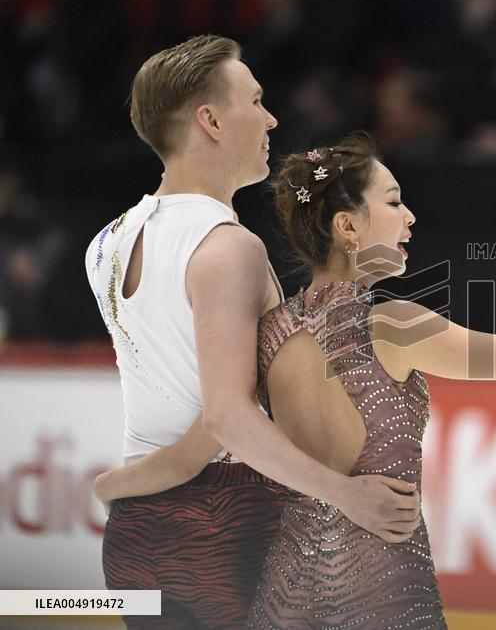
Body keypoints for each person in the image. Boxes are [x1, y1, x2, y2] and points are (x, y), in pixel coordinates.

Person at [86, 35, 423, 629]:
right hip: (227, 520)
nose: (271, 119)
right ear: (211, 120)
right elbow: (227, 418)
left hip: (140, 533)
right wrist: (347, 497)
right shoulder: (227, 248)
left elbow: (183, 406)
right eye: (257, 101)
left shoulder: (108, 241)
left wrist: (129, 479)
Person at [241, 131, 496, 628]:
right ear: (347, 226)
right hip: (378, 595)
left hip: (283, 599)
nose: (409, 216)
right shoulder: (389, 325)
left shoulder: (269, 330)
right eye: (393, 201)